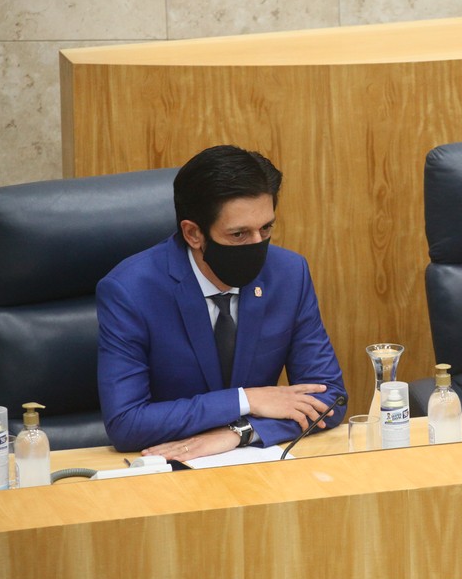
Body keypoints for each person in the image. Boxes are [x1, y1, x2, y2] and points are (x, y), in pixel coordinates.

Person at [97, 145, 347, 458]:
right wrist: (246, 400)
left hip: (255, 465)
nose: (258, 246)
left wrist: (240, 432)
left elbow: (329, 399)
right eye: (239, 235)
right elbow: (126, 423)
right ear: (193, 234)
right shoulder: (130, 291)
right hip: (164, 467)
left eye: (266, 228)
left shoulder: (288, 275)